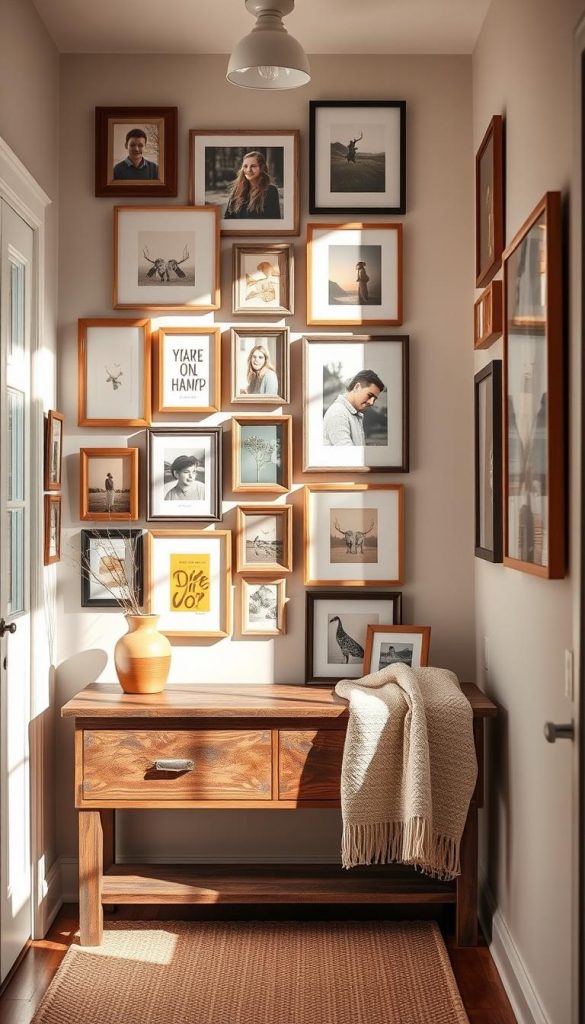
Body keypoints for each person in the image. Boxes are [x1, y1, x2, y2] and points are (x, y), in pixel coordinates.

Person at [323, 370, 385, 447]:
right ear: (357, 387)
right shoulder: (338, 413)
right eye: (369, 395)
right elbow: (349, 455)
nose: (371, 402)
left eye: (374, 399)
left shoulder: (352, 413)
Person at [224, 151, 282, 220]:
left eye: (253, 166)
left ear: (262, 167)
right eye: (245, 166)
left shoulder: (271, 190)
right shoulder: (237, 190)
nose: (248, 170)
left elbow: (275, 220)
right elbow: (228, 218)